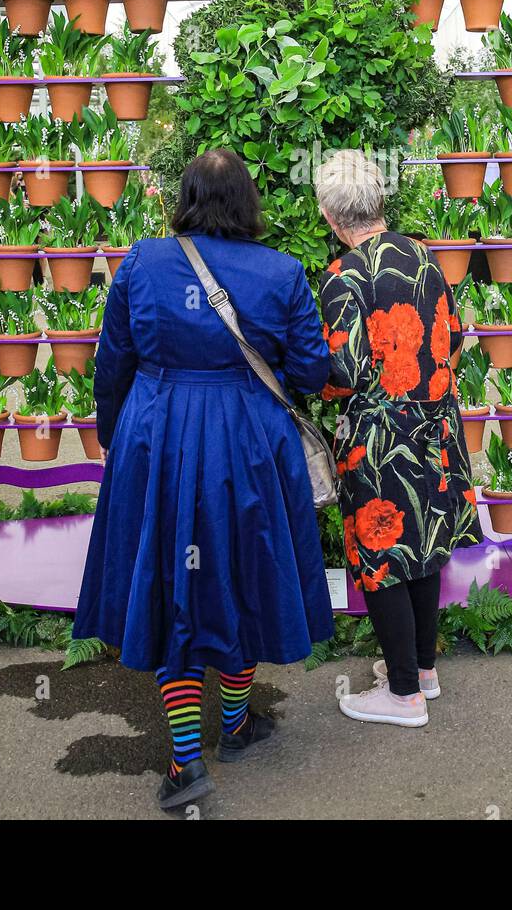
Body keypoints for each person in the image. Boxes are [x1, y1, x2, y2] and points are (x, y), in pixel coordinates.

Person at [72, 148, 333, 811]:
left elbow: (112, 362)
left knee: (171, 588)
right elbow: (307, 371)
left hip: (156, 437)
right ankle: (238, 723)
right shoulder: (280, 272)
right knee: (243, 576)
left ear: (184, 197)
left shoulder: (142, 262)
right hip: (248, 444)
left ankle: (187, 764)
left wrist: (113, 436)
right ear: (248, 200)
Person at [315, 150, 483, 729]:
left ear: (330, 215)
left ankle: (404, 694)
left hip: (378, 437)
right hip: (435, 426)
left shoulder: (343, 277)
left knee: (382, 553)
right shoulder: (425, 258)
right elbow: (454, 339)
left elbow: (343, 372)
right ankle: (422, 672)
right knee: (425, 540)